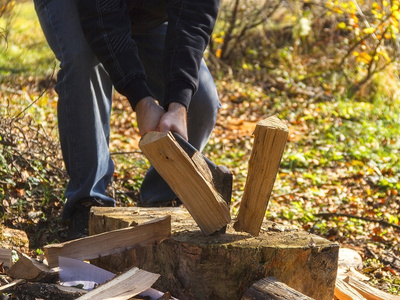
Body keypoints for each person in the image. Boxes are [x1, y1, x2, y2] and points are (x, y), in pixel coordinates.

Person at [34, 0, 221, 239]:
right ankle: (89, 202)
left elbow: (193, 18)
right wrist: (141, 99)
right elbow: (102, 15)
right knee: (83, 60)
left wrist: (179, 102)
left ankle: (163, 195)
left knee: (201, 100)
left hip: (144, 13)